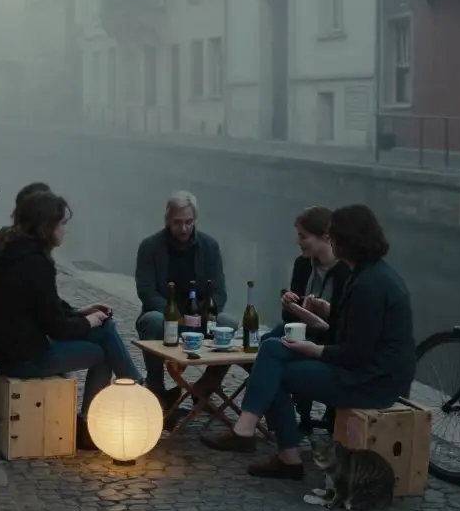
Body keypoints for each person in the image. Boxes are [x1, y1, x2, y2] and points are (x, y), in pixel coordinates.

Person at [203, 204, 415, 481]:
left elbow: (357, 353)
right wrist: (327, 315)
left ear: (346, 240)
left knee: (277, 373)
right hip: (365, 371)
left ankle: (282, 454)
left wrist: (314, 350)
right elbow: (352, 333)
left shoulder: (369, 285)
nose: (330, 240)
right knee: (271, 348)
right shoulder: (367, 274)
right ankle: (250, 431)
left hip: (372, 382)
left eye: (333, 235)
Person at [0, 190, 143, 451]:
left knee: (104, 329)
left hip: (7, 351)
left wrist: (81, 312)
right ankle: (109, 411)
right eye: (62, 224)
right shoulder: (36, 264)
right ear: (47, 227)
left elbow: (44, 307)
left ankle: (131, 389)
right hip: (25, 358)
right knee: (103, 351)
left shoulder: (13, 253)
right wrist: (89, 322)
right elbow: (57, 328)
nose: (65, 230)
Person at [133, 191, 240, 405]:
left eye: (188, 222)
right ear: (167, 220)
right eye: (177, 222)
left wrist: (206, 313)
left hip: (200, 319)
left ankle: (204, 387)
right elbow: (146, 291)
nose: (183, 228)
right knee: (153, 320)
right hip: (165, 318)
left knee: (228, 323)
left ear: (195, 220)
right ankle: (156, 387)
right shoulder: (150, 247)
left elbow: (219, 291)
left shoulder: (210, 246)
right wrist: (174, 315)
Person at [270, 206, 351, 434]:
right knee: (268, 342)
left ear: (324, 237)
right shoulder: (303, 264)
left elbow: (346, 323)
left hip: (330, 340)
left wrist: (325, 312)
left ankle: (280, 419)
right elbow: (289, 317)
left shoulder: (346, 271)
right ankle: (278, 413)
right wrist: (290, 302)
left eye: (303, 236)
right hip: (303, 331)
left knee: (277, 353)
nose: (298, 242)